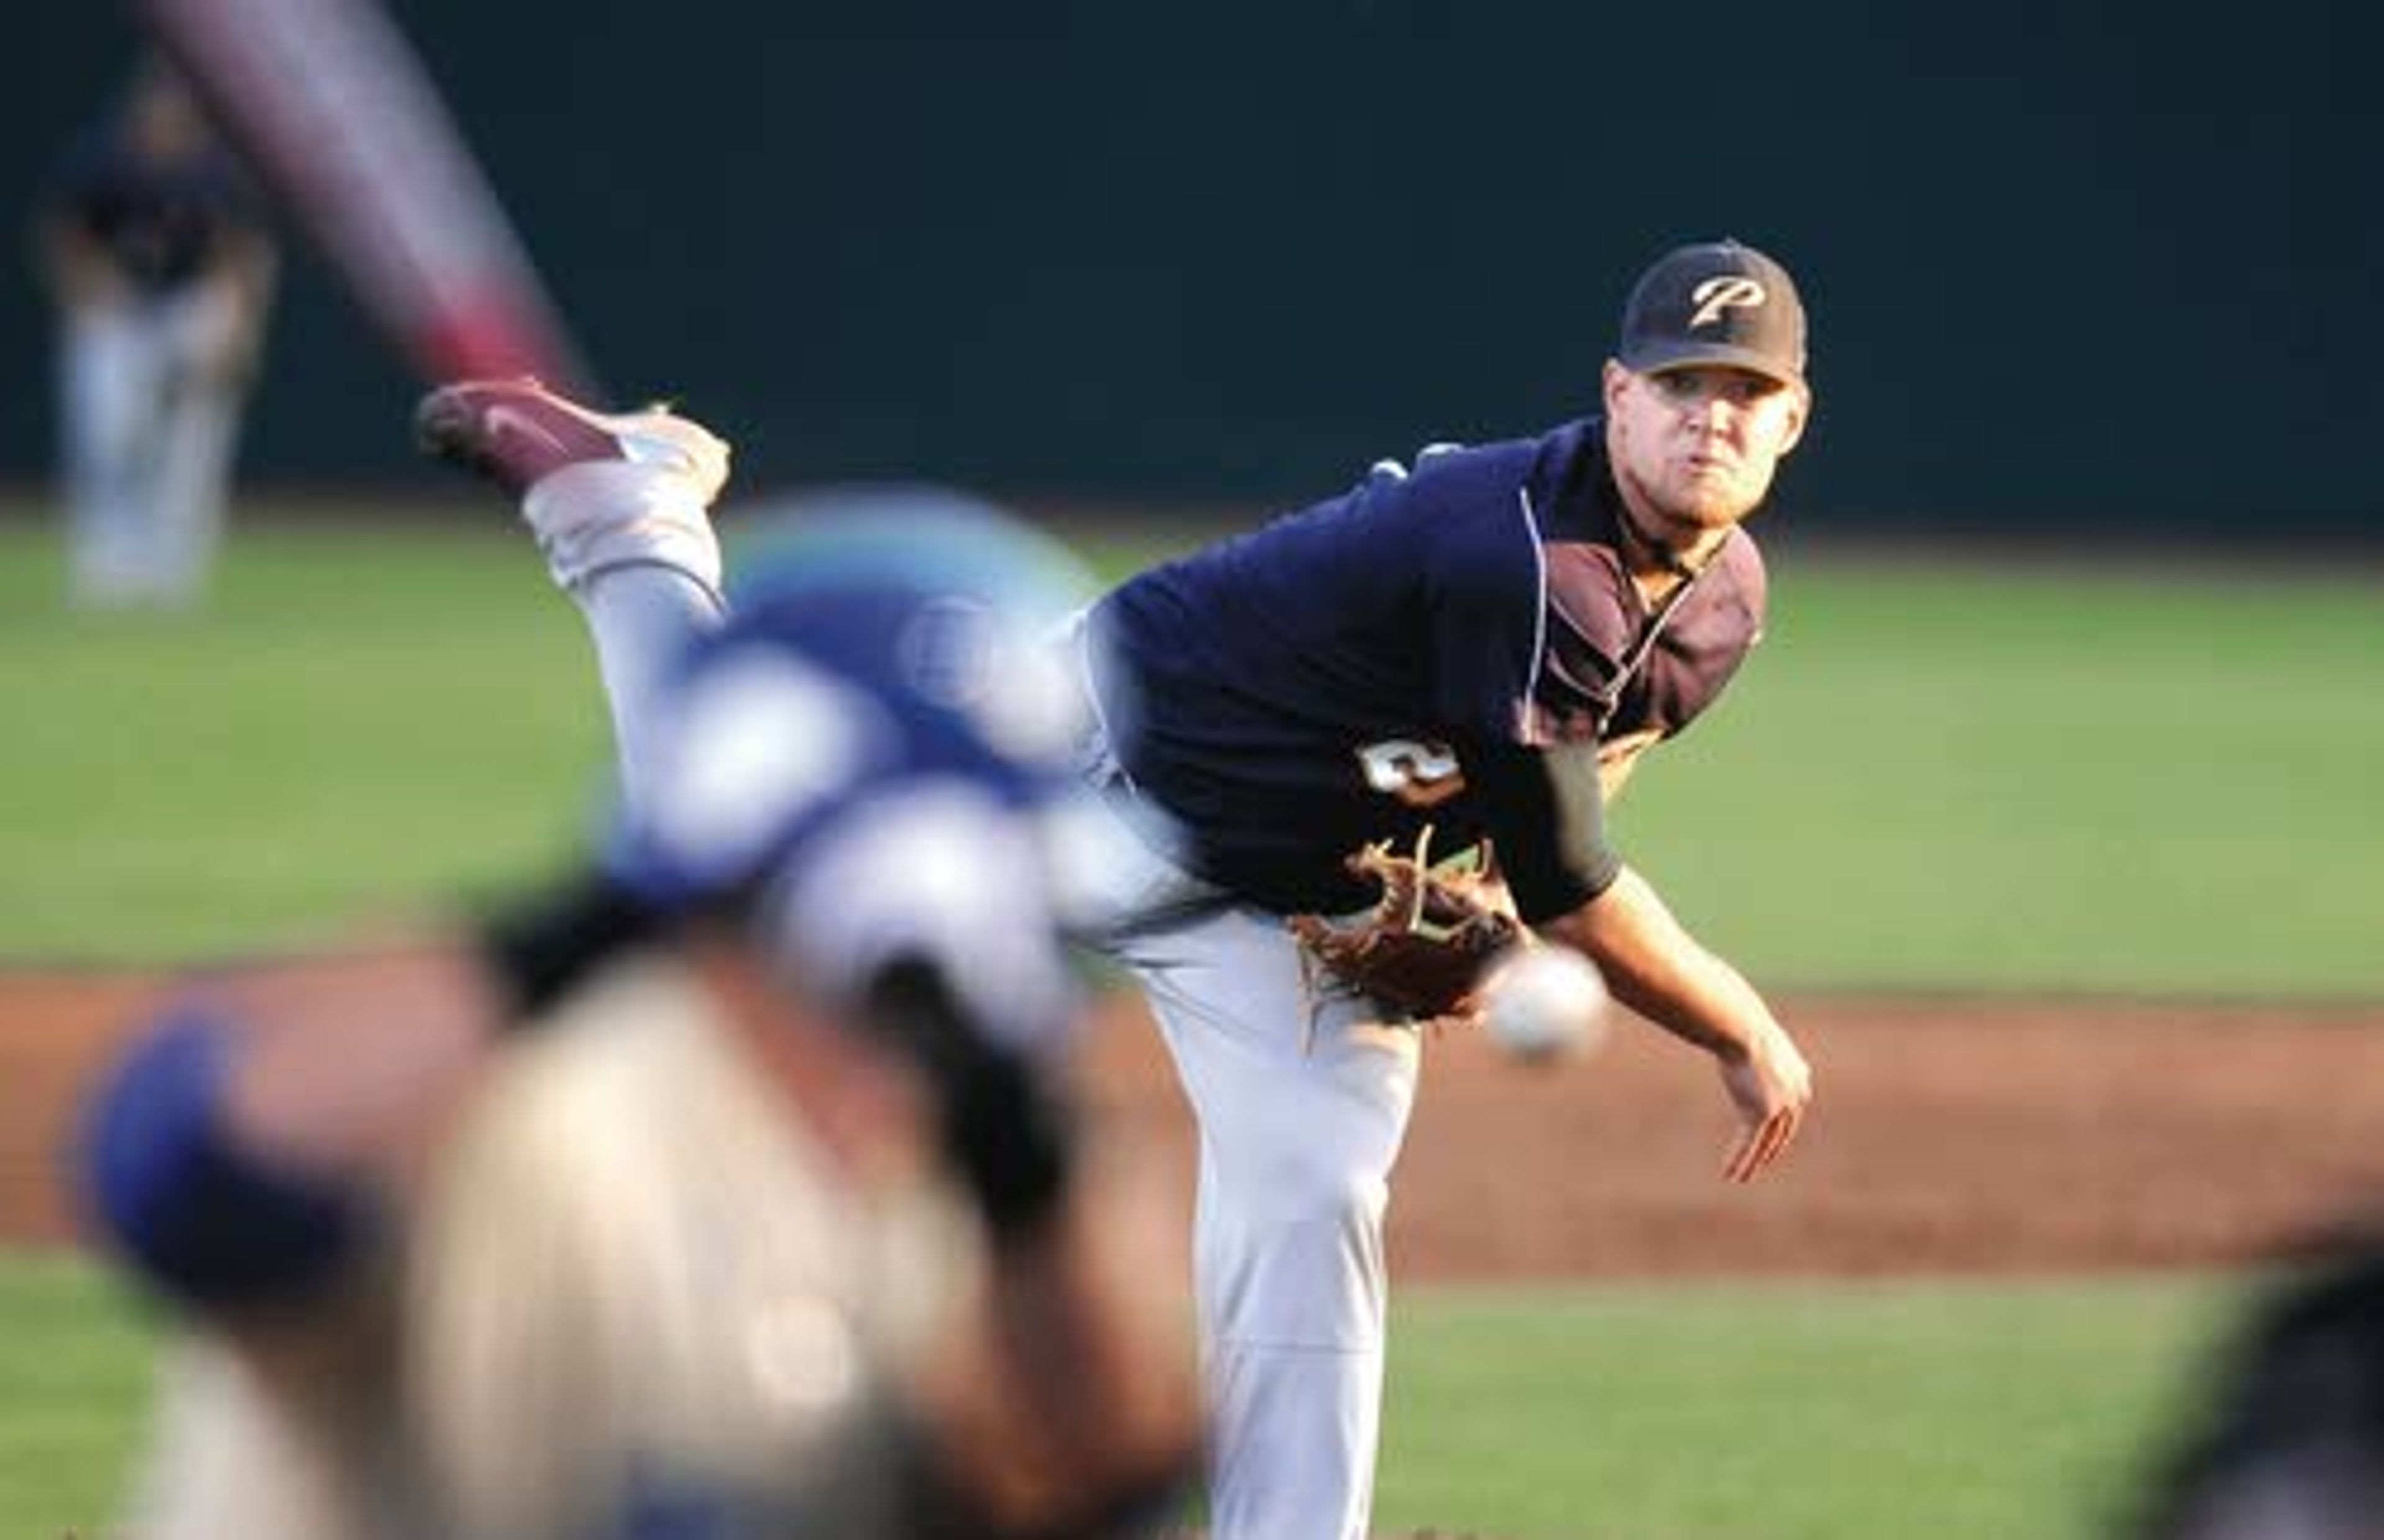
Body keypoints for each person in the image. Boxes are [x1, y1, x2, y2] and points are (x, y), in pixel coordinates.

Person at [404, 232, 1820, 1539]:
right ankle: (628, 517)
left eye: (1743, 391)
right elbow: (1571, 876)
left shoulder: (1719, 598)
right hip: (1088, 781)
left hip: (1286, 901)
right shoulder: (1526, 555)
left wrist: (1484, 906)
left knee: (1315, 1184)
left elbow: (1571, 777)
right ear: (1613, 394)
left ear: (1789, 421)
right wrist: (1736, 1025)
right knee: (756, 844)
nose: (1710, 416)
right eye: (1681, 383)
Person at [73, 405, 1201, 1538]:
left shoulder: (965, 1189)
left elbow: (1106, 1471)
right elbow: (181, 1172)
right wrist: (601, 918)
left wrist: (1013, 1147)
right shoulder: (530, 1120)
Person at [31, 61, 276, 610]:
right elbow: (60, 236)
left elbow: (245, 256)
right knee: (108, 435)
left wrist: (241, 330)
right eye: (157, 107)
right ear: (138, 112)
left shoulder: (214, 173)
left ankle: (174, 575)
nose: (166, 119)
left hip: (188, 306)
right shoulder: (103, 162)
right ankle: (105, 570)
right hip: (115, 310)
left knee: (194, 442)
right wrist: (91, 288)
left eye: (177, 110)